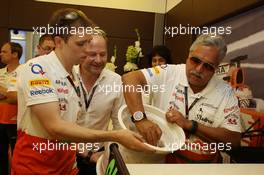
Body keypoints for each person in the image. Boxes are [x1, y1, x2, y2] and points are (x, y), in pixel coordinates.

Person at [11, 8, 152, 175]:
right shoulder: (38, 69)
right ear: (59, 42)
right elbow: (54, 126)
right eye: (80, 44)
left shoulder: (73, 75)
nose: (86, 50)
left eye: (87, 42)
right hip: (35, 166)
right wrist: (115, 135)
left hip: (66, 164)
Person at [122, 34, 241, 163]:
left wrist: (190, 125)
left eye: (208, 66)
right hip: (161, 160)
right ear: (188, 56)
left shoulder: (225, 92)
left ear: (216, 68)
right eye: (195, 60)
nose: (199, 69)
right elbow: (130, 78)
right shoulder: (169, 71)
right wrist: (140, 119)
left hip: (202, 166)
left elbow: (233, 141)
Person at [73, 30, 124, 175]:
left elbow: (119, 124)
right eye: (92, 54)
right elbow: (56, 124)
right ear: (81, 54)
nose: (99, 60)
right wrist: (84, 153)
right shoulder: (66, 77)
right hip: (65, 154)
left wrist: (111, 154)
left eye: (103, 54)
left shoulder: (116, 81)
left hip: (98, 157)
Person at [0, 42, 22, 175]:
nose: (0, 54)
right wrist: (9, 94)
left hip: (16, 122)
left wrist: (5, 93)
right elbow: (11, 95)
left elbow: (19, 97)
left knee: (16, 156)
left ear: (15, 54)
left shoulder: (24, 71)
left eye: (4, 51)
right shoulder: (0, 72)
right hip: (0, 120)